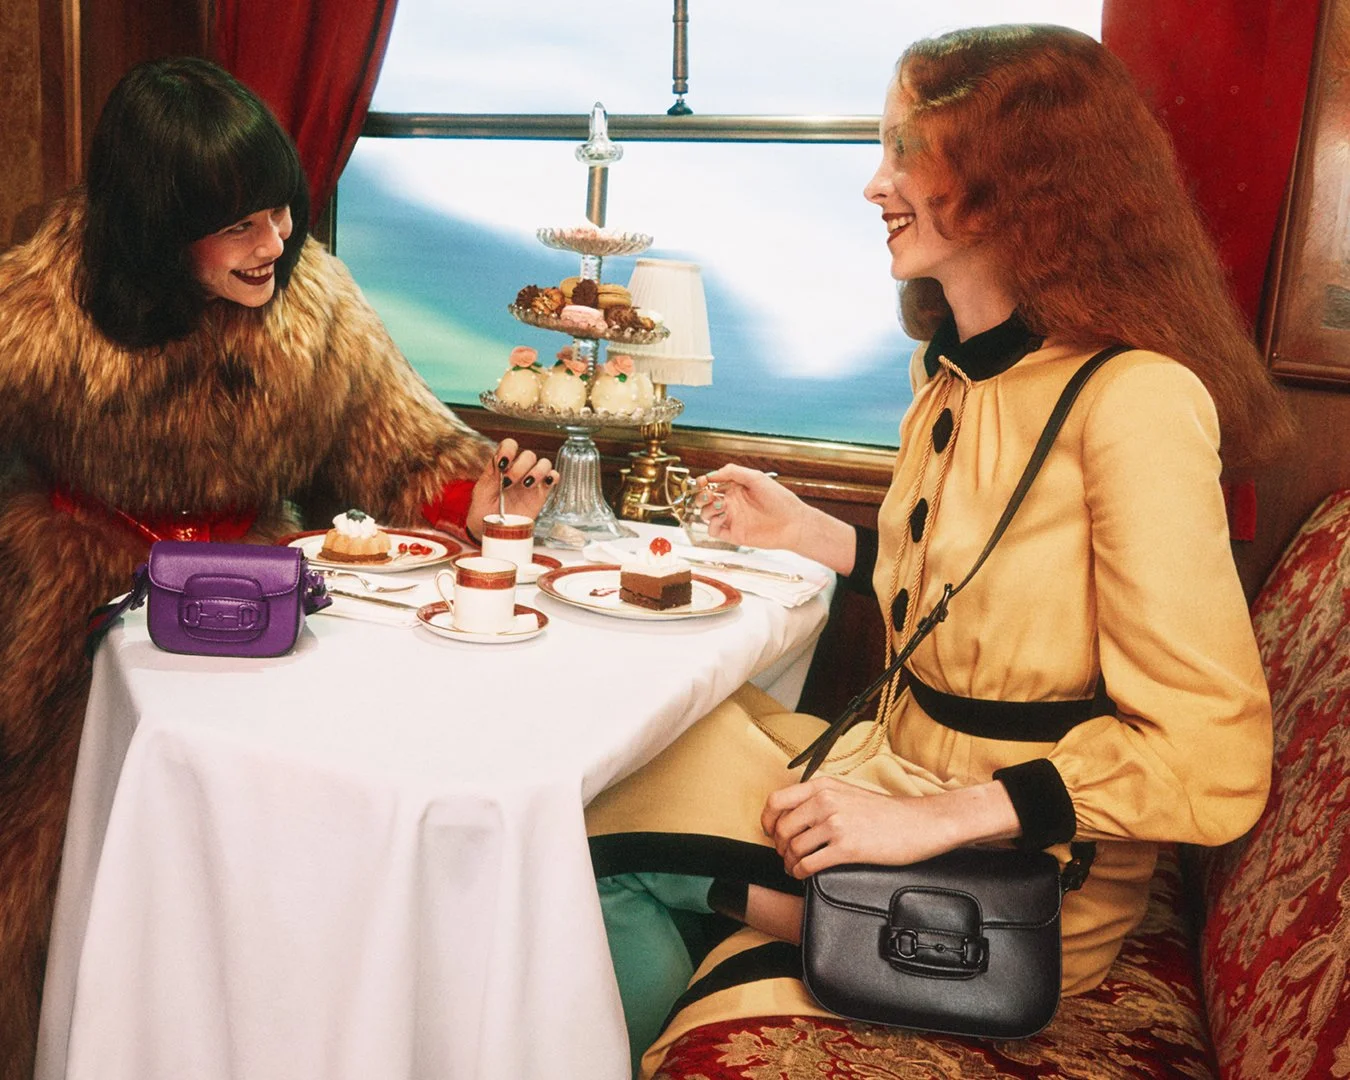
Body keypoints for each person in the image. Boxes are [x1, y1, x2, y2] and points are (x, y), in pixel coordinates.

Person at [585, 23, 1292, 1078]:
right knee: (619, 765)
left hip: (1021, 878)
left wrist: (927, 824)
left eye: (908, 150)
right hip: (900, 772)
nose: (877, 184)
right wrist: (812, 532)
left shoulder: (1136, 401)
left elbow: (1212, 752)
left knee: (605, 849)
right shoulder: (948, 373)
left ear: (1019, 182)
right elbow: (983, 593)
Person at [0, 56, 554, 1078]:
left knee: (276, 865)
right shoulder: (32, 312)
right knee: (56, 883)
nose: (277, 243)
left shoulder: (316, 304)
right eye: (241, 224)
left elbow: (405, 451)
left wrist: (475, 501)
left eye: (282, 211)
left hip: (263, 606)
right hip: (73, 608)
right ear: (161, 223)